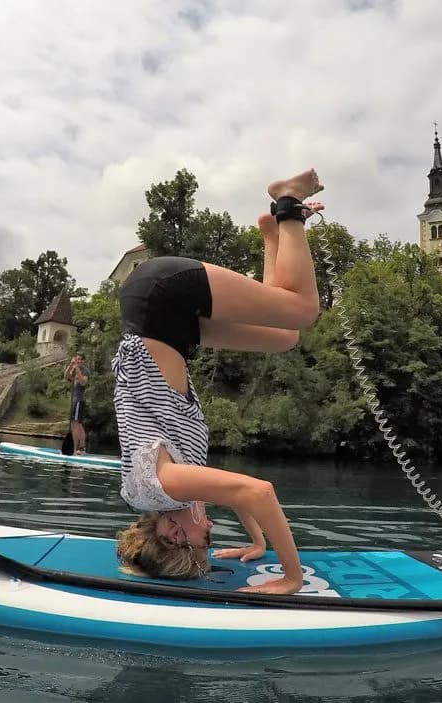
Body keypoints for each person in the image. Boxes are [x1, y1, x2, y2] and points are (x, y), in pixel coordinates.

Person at [112, 168, 324, 595]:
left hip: (160, 299)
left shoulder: (162, 487)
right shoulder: (166, 494)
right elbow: (235, 492)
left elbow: (258, 492)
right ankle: (272, 234)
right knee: (285, 335)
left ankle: (289, 202)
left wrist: (291, 577)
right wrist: (258, 541)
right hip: (170, 324)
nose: (210, 528)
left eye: (204, 538)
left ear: (173, 534)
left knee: (301, 308)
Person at [63, 353, 89, 455]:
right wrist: (70, 365)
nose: (77, 361)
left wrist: (77, 368)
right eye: (76, 359)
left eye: (79, 360)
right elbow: (66, 376)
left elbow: (83, 382)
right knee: (77, 424)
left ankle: (75, 449)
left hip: (79, 400)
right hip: (74, 401)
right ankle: (82, 449)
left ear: (83, 361)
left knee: (76, 425)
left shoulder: (85, 371)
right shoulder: (74, 369)